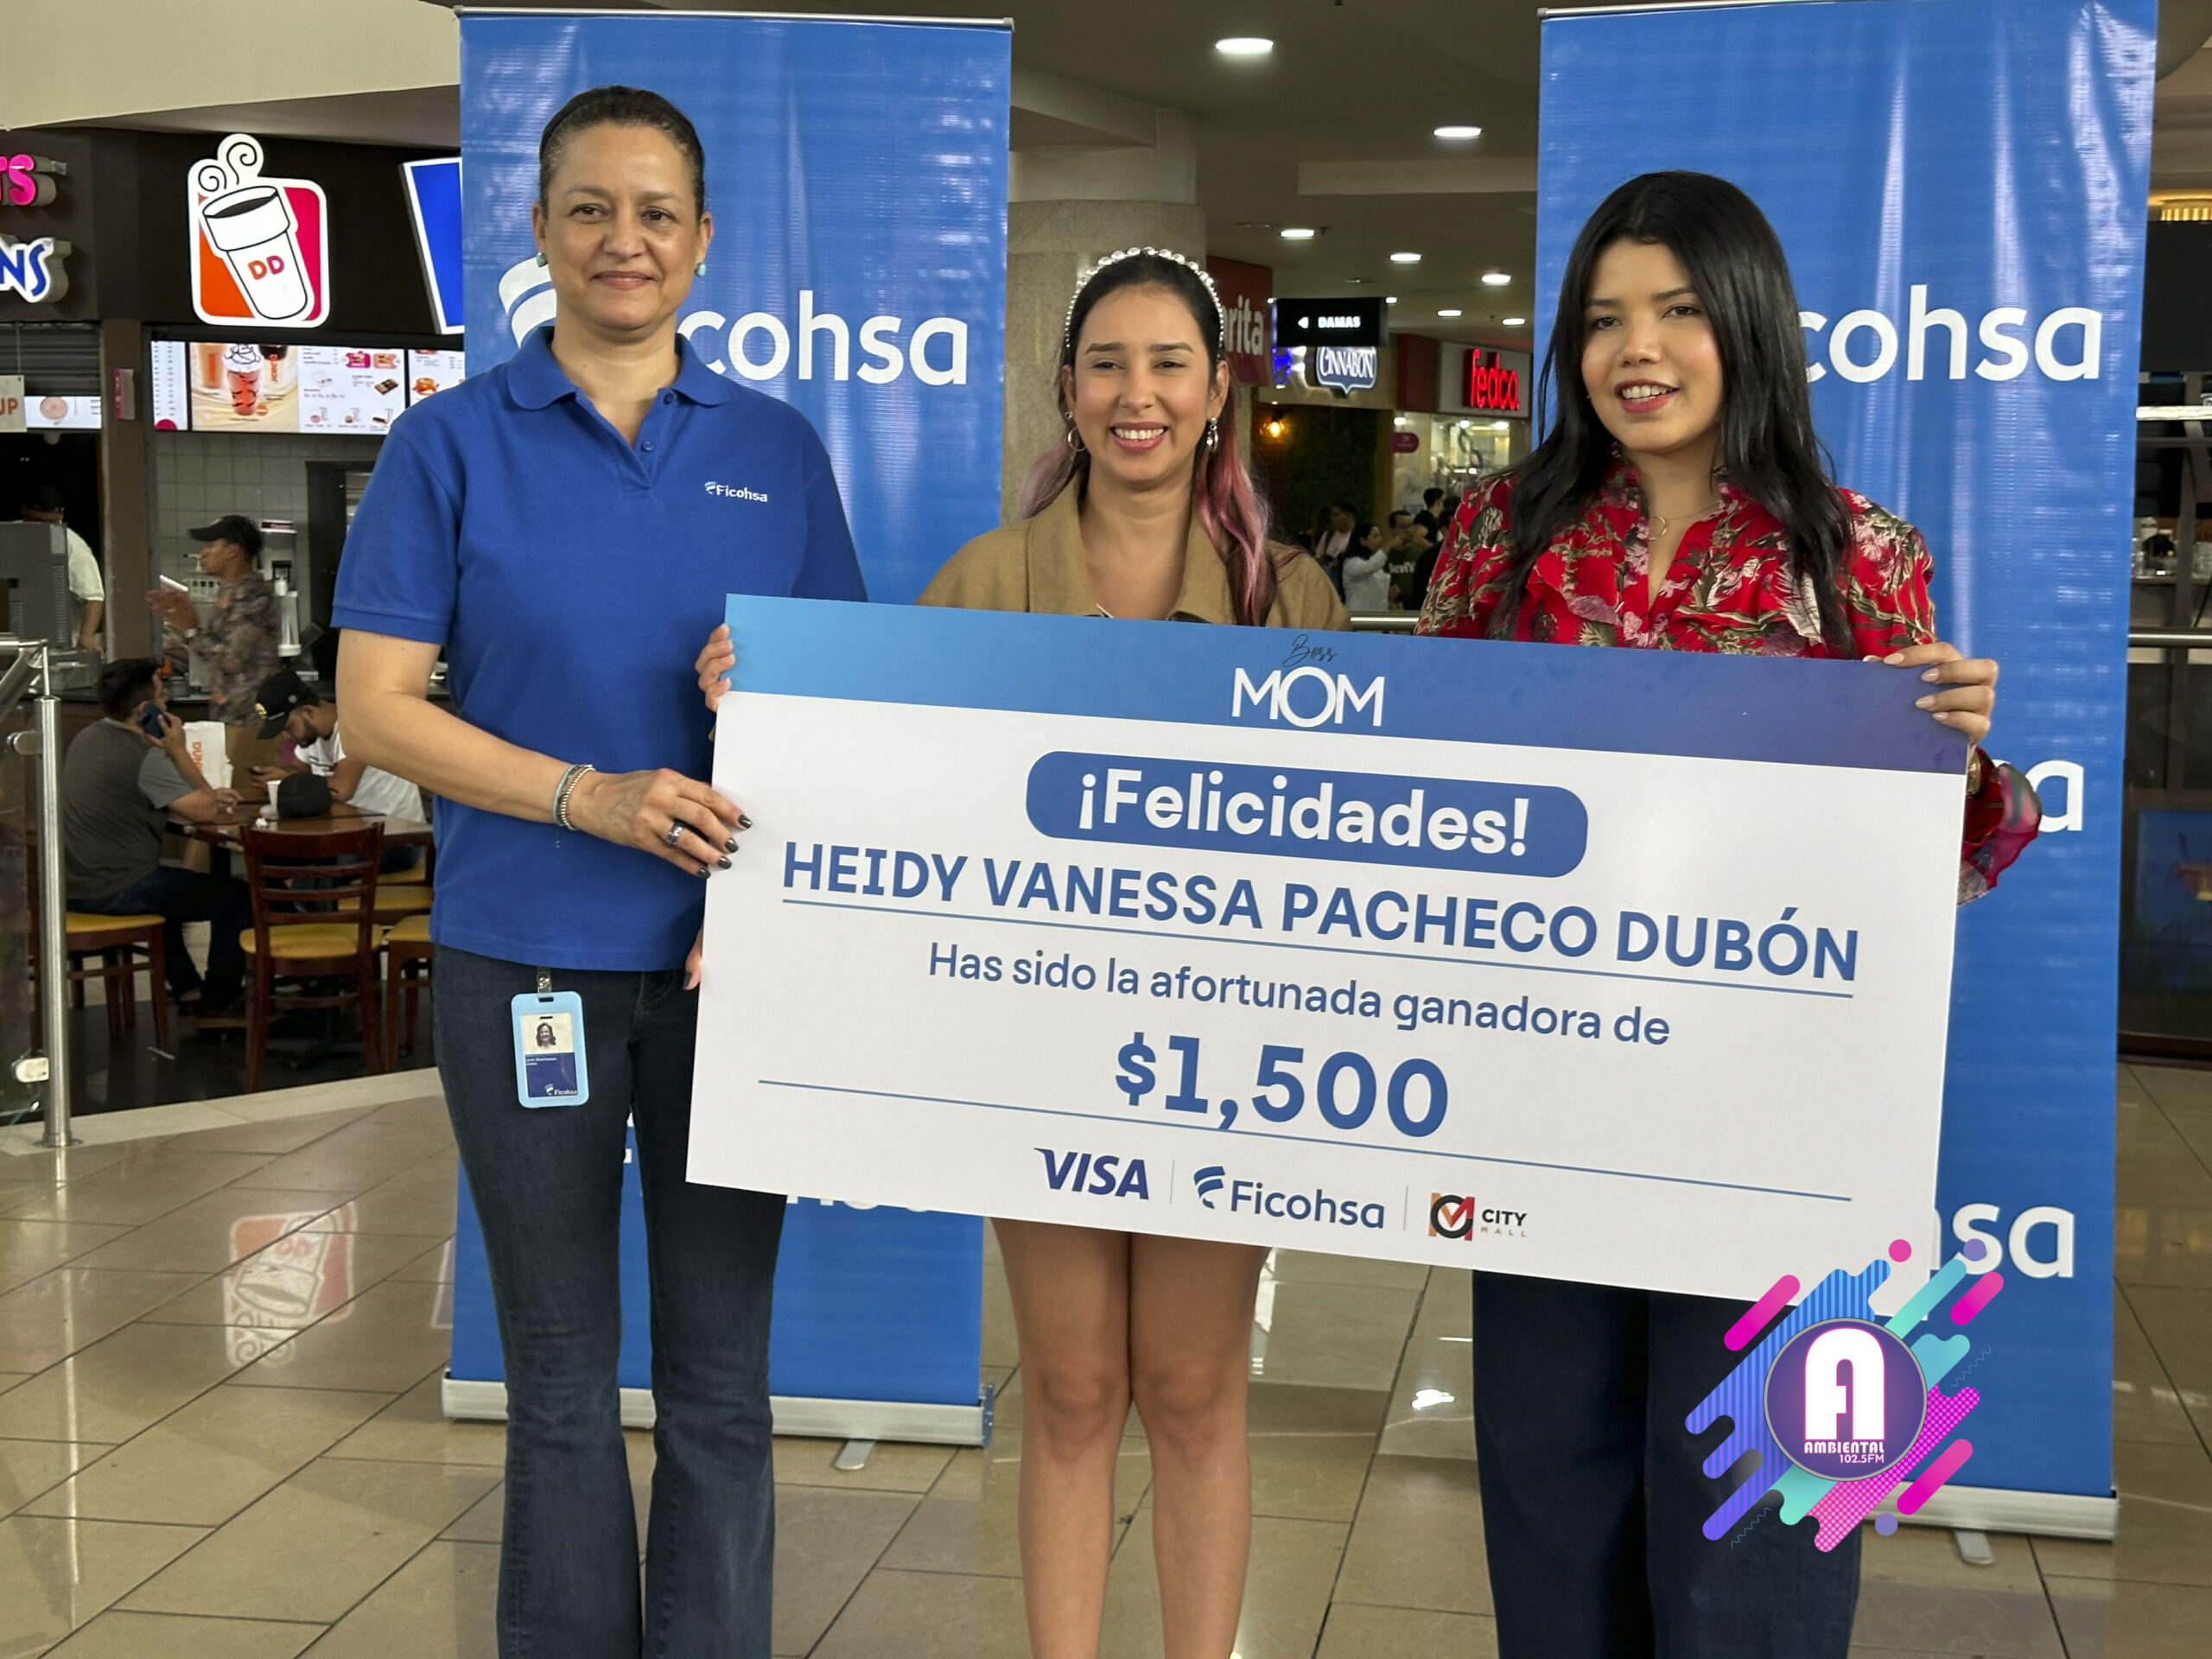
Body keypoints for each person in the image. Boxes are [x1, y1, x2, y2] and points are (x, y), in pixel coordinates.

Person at [1417, 170, 2032, 1657]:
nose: (1638, 348)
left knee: (1762, 1531)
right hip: (1547, 1100)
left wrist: (1958, 757)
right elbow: (1428, 789)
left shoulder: (1857, 555)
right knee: (1553, 1494)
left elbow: (1932, 867)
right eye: (1604, 318)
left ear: (1749, 324)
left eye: (1679, 311)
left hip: (1789, 1129)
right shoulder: (1505, 535)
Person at [697, 247, 1344, 1659]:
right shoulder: (985, 581)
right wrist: (768, 707)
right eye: (1107, 364)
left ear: (1217, 393)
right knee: (1069, 1387)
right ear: (1066, 388)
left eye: (1169, 364)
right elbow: (877, 788)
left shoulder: (1288, 596)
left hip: (1225, 1059)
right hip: (1031, 1053)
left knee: (1193, 1391)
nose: (1137, 394)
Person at [332, 85, 865, 1658]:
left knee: (722, 1385)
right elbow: (378, 711)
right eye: (590, 209)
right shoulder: (446, 445)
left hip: (729, 975)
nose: (623, 241)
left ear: (702, 243)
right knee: (559, 1384)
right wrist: (591, 799)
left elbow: (847, 710)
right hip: (524, 969)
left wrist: (777, 684)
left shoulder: (776, 448)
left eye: (655, 214)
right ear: (542, 231)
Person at [62, 658, 251, 1016]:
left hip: (74, 882)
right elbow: (206, 812)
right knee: (237, 898)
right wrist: (178, 750)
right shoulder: (142, 755)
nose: (168, 704)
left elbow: (174, 799)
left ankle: (188, 990)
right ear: (144, 710)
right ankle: (219, 1002)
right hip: (115, 887)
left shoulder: (88, 737)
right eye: (162, 697)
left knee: (173, 890)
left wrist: (202, 795)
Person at [247, 668, 427, 869]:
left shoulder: (355, 726)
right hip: (347, 833)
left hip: (396, 840)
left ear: (308, 712)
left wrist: (287, 783)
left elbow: (342, 789)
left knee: (320, 866)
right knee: (269, 856)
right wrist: (275, 778)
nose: (286, 738)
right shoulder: (311, 735)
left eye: (288, 728)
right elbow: (297, 770)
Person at [148, 514, 283, 779]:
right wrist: (186, 623)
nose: (203, 554)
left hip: (250, 717)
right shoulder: (228, 592)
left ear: (233, 550)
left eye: (211, 545)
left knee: (244, 787)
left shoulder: (253, 593)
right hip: (230, 713)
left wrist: (190, 630)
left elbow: (232, 659)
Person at [19, 486, 104, 652]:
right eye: (39, 523)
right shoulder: (10, 538)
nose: (47, 530)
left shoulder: (73, 546)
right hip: (17, 638)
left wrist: (87, 636)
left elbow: (94, 597)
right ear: (24, 512)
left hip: (60, 642)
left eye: (52, 523)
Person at [1339, 519, 1392, 611]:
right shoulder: (1351, 563)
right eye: (1375, 536)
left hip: (1379, 614)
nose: (1380, 539)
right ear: (1363, 541)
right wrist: (1389, 545)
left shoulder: (1378, 562)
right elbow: (1369, 567)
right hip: (1358, 615)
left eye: (1379, 535)